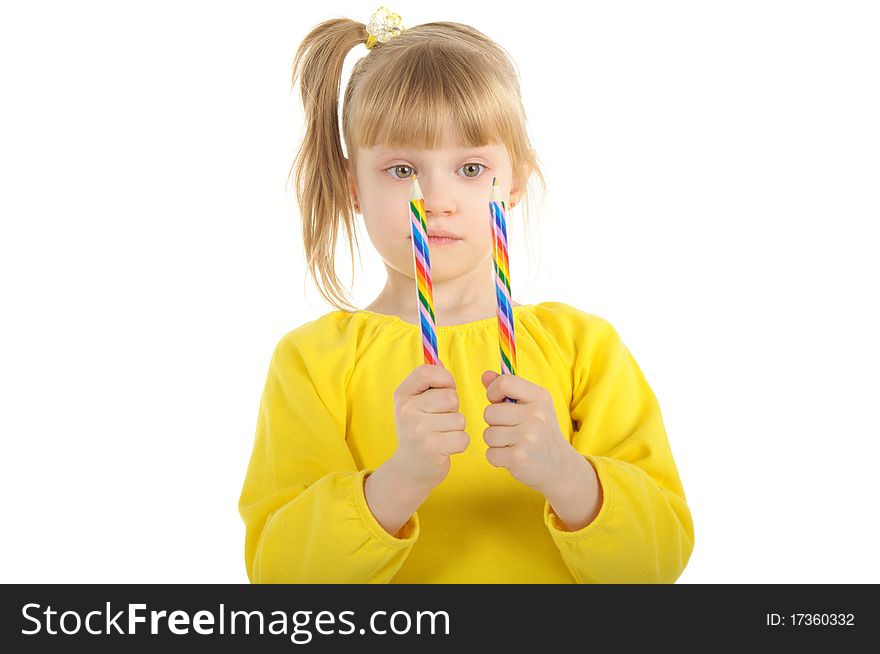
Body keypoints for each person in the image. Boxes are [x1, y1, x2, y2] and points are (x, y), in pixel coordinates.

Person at [237, 7, 694, 583]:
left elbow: (654, 566)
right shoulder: (315, 363)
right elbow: (283, 577)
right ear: (354, 188)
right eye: (402, 169)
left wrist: (566, 474)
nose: (437, 197)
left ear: (518, 178)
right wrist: (399, 479)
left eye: (472, 167)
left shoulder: (583, 348)